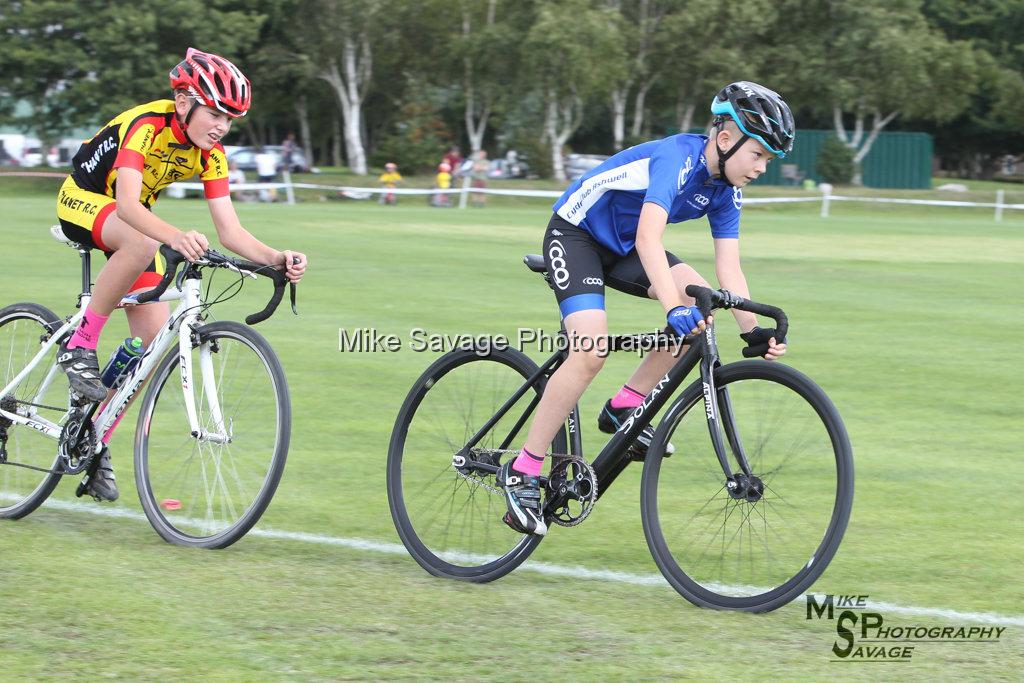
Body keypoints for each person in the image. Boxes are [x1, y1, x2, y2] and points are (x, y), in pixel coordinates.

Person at [497, 81, 793, 535]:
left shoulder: (726, 189)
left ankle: (624, 407)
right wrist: (672, 305)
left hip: (623, 247)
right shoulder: (677, 158)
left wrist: (751, 330)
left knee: (702, 306)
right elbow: (647, 238)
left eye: (769, 160)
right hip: (576, 236)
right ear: (727, 138)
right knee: (590, 351)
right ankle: (524, 468)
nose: (761, 168)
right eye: (758, 155)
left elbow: (727, 267)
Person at [54, 47, 308, 502]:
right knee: (144, 241)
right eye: (214, 113)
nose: (221, 127)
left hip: (133, 223)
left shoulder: (211, 155)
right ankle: (80, 345)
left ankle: (92, 439)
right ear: (185, 102)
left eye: (229, 119)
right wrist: (174, 235)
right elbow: (130, 206)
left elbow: (230, 230)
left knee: (147, 355)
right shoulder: (146, 126)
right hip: (84, 201)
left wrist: (276, 257)